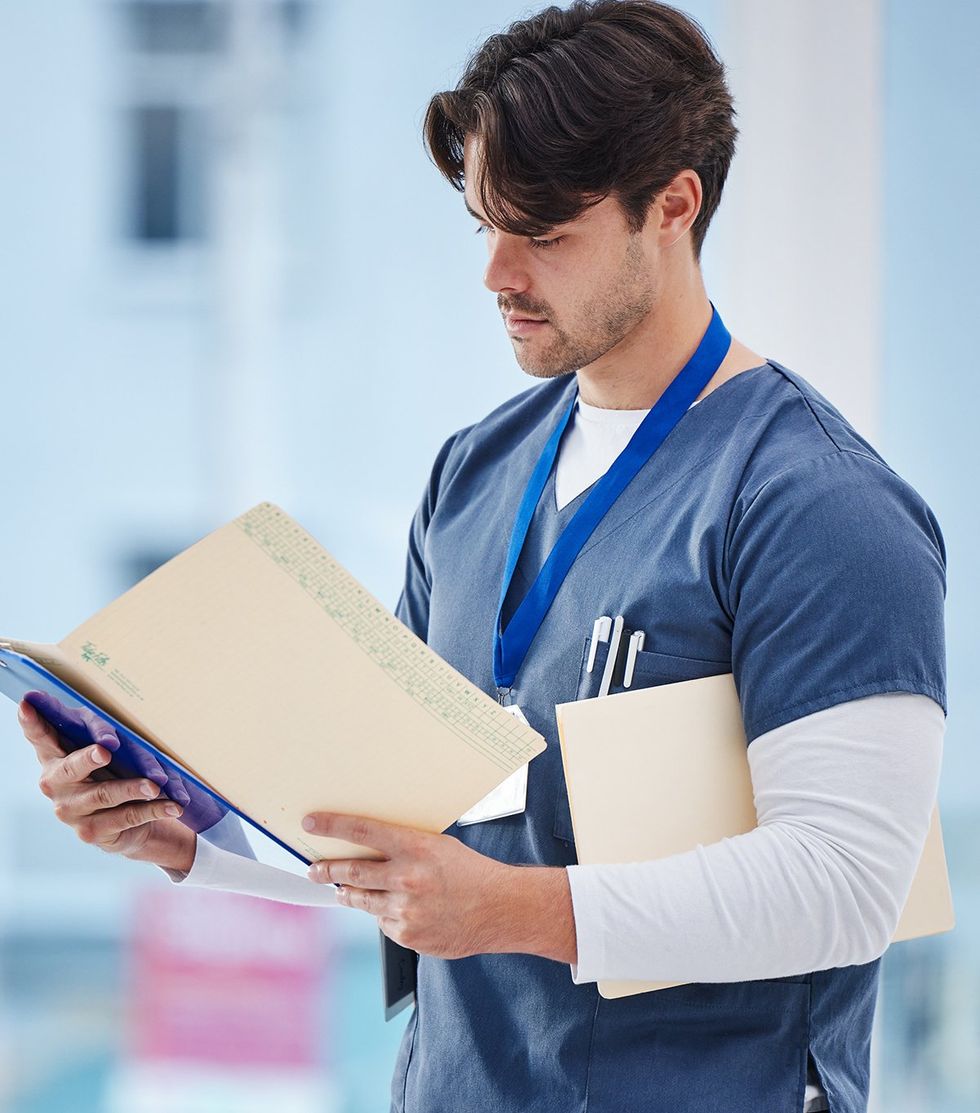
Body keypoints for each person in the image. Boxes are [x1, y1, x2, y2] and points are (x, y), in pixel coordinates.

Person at [18, 3, 946, 1111]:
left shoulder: (816, 505)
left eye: (544, 232)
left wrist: (509, 908)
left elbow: (846, 885)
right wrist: (188, 841)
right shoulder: (474, 475)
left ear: (673, 206)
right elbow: (422, 858)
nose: (497, 273)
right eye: (483, 226)